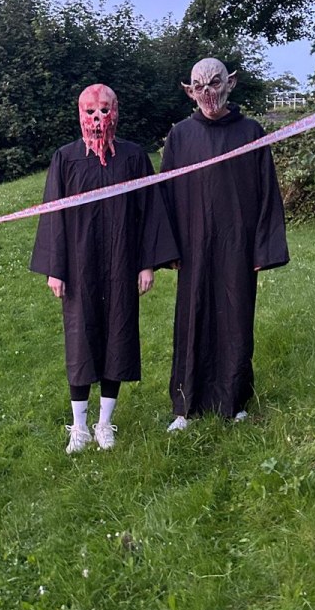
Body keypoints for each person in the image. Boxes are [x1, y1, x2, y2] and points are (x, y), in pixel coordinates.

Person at [30, 83, 178, 453]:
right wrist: (55, 268)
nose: (98, 119)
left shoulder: (133, 157)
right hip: (78, 266)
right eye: (91, 112)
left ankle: (104, 423)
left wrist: (147, 264)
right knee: (80, 339)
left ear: (116, 111)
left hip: (121, 262)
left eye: (105, 110)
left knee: (118, 335)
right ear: (80, 114)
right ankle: (79, 426)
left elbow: (149, 211)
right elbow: (53, 215)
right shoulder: (65, 159)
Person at [160, 57, 289, 430]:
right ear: (190, 92)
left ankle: (233, 401)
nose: (207, 93)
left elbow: (267, 190)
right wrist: (169, 249)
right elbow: (164, 194)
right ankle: (186, 406)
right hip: (192, 244)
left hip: (238, 244)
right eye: (199, 86)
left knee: (235, 317)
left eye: (214, 83)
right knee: (191, 318)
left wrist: (263, 247)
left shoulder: (251, 132)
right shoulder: (180, 136)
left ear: (230, 83)